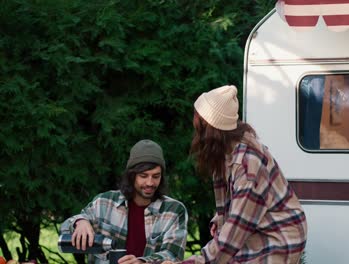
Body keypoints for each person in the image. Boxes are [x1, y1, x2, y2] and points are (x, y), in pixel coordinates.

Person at [180, 85, 308, 263]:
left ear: (211, 129)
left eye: (199, 124)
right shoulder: (226, 150)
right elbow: (236, 206)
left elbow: (232, 237)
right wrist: (220, 219)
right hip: (260, 229)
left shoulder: (248, 165)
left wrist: (192, 262)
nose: (195, 130)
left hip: (279, 238)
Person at [60, 139, 188, 264]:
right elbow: (65, 229)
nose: (150, 183)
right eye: (143, 176)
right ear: (132, 175)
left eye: (156, 176)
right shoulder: (104, 202)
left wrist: (141, 262)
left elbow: (173, 255)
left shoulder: (174, 210)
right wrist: (80, 222)